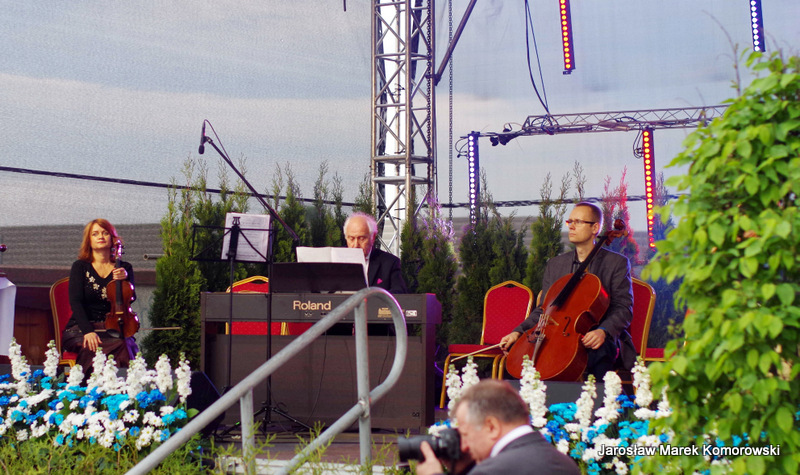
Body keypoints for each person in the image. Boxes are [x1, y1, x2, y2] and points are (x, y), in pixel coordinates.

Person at [499, 202, 635, 378]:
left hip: (595, 335)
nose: (571, 226)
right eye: (570, 221)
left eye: (578, 222)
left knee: (600, 353)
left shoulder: (616, 263)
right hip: (554, 335)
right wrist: (517, 332)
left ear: (595, 228)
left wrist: (603, 331)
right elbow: (543, 310)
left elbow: (623, 308)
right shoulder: (556, 265)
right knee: (517, 361)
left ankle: (598, 396)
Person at [416, 380, 580, 475]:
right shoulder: (564, 463)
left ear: (492, 427)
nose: (464, 446)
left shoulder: (493, 470)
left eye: (465, 434)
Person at [62, 219, 138, 373]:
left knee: (124, 344)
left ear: (113, 239)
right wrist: (88, 331)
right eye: (95, 234)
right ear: (89, 240)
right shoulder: (80, 267)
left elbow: (131, 298)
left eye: (105, 233)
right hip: (80, 328)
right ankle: (86, 385)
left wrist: (125, 280)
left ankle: (120, 386)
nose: (100, 237)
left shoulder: (124, 268)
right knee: (92, 345)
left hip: (112, 328)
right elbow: (75, 302)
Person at [344, 212, 408, 294]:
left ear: (373, 237)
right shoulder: (336, 260)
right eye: (351, 238)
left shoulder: (389, 263)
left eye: (361, 238)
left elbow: (399, 293)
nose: (356, 245)